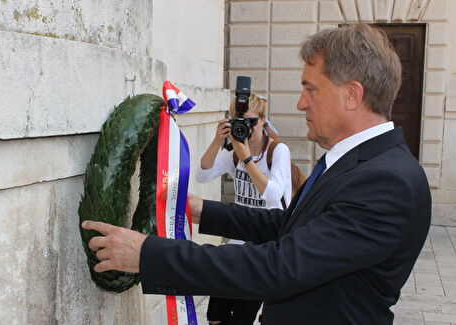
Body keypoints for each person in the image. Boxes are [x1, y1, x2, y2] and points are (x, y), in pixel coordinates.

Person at [81, 24, 431, 324]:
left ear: (352, 94)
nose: (300, 103)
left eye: (310, 88)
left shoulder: (387, 181)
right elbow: (287, 228)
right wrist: (201, 210)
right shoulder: (357, 162)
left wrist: (148, 253)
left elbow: (279, 267)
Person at [196, 94, 291, 324]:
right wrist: (219, 141)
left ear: (263, 120)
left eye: (252, 122)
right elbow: (202, 174)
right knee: (215, 316)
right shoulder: (234, 154)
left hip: (265, 245)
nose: (247, 128)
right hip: (238, 241)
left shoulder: (278, 151)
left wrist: (247, 158)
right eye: (241, 122)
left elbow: (272, 194)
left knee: (243, 317)